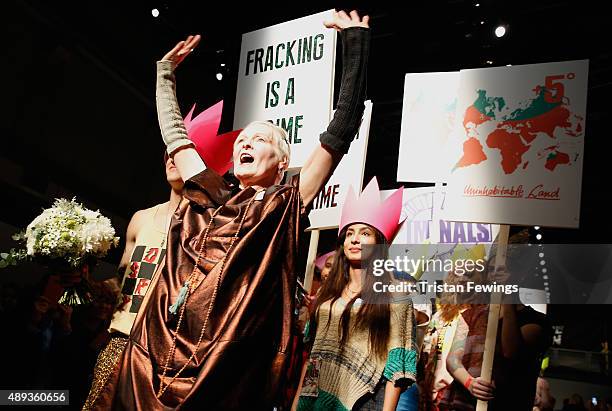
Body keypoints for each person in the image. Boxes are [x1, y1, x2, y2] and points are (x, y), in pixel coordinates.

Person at [96, 10, 371, 410]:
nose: (245, 143)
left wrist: (356, 44)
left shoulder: (285, 205)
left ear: (281, 161)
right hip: (153, 355)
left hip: (221, 368)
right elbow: (176, 136)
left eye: (259, 140)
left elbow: (342, 128)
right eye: (243, 138)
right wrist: (165, 74)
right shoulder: (206, 191)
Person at [293, 178, 417, 410]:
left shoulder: (395, 297)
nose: (355, 239)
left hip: (364, 401)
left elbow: (397, 368)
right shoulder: (327, 296)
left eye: (365, 233)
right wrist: (298, 403)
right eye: (349, 233)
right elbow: (312, 358)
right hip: (315, 397)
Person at [82, 154, 183, 409]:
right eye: (168, 154)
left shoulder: (209, 226)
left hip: (164, 352)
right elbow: (122, 280)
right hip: (120, 341)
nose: (172, 158)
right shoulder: (142, 218)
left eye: (179, 153)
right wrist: (83, 282)